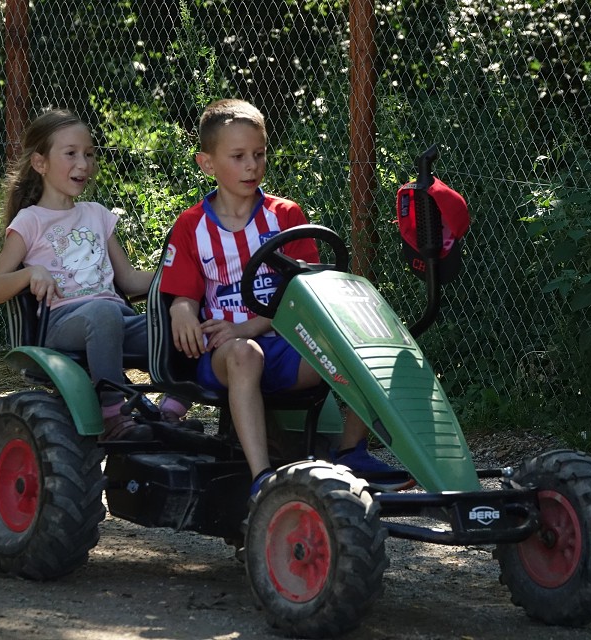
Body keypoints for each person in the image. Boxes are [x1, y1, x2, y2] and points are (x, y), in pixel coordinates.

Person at [159, 98, 412, 495]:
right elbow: (184, 296)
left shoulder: (285, 215)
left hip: (289, 346)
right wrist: (181, 311)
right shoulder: (192, 225)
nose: (252, 166)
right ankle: (262, 479)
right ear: (207, 163)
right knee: (246, 352)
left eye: (258, 155)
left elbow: (303, 295)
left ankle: (350, 450)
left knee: (360, 346)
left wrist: (253, 324)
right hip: (226, 353)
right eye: (238, 156)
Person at [0, 108, 185, 440]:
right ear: (40, 163)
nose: (84, 163)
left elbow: (130, 280)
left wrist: (186, 277)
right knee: (102, 312)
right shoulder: (30, 222)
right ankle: (112, 414)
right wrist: (31, 272)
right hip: (63, 324)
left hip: (116, 319)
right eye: (71, 153)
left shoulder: (97, 215)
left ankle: (171, 412)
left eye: (89, 154)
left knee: (191, 325)